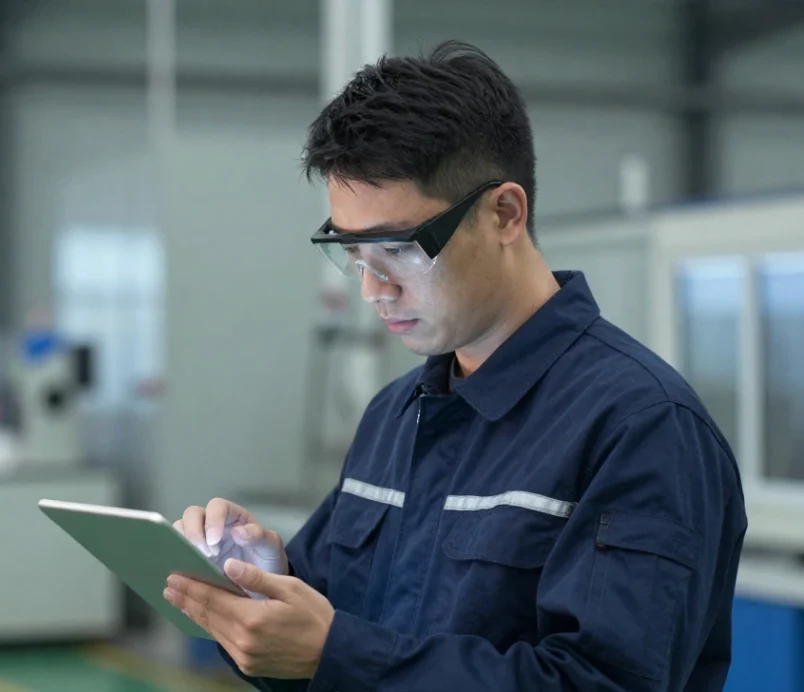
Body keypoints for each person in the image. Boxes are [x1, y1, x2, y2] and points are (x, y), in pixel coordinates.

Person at [165, 41, 747, 691]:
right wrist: (263, 584)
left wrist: (338, 655)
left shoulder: (640, 429)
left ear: (504, 214)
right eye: (351, 252)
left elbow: (602, 683)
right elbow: (335, 642)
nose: (372, 289)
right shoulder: (397, 416)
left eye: (398, 249)